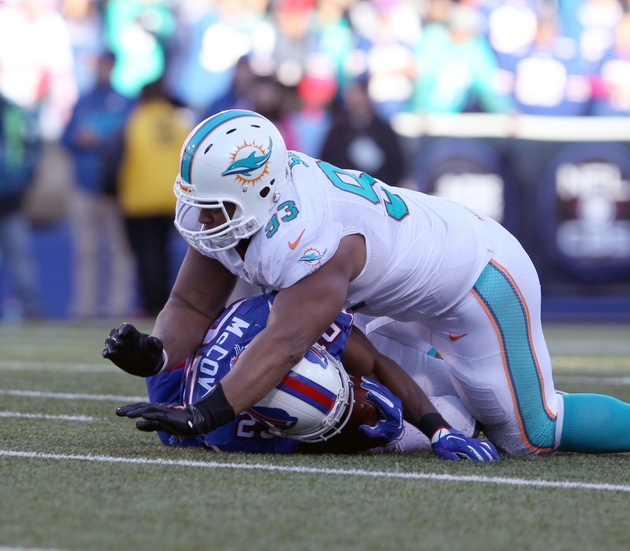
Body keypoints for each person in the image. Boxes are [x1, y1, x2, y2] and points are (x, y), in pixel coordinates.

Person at [103, 108, 630, 461]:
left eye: (214, 204)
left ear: (260, 190)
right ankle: (456, 408)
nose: (199, 218)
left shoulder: (306, 234)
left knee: (532, 431)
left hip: (473, 278)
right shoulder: (253, 210)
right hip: (394, 289)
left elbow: (279, 342)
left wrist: (202, 413)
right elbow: (192, 301)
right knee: (390, 399)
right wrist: (159, 355)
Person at [109, 292, 493, 460]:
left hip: (363, 339)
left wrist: (155, 356)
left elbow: (373, 363)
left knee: (447, 382)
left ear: (322, 353)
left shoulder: (278, 315)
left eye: (351, 398)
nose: (361, 402)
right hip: (286, 419)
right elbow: (316, 433)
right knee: (463, 417)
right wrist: (362, 436)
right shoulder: (225, 437)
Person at [61, 51, 136, 319]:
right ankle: (85, 307)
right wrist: (80, 139)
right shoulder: (84, 101)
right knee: (86, 251)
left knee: (120, 251)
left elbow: (132, 139)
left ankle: (119, 307)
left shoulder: (126, 102)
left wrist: (101, 139)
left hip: (117, 186)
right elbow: (66, 139)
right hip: (84, 186)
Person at [114, 79, 193, 317]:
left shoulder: (135, 120)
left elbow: (116, 157)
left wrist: (110, 189)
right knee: (164, 253)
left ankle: (151, 304)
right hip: (173, 197)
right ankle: (164, 301)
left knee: (145, 256)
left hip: (139, 199)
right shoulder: (180, 120)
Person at [0, 93, 42, 321]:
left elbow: (33, 149)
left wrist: (21, 181)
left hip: (10, 199)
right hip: (11, 194)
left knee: (20, 258)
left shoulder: (15, 112)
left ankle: (30, 308)